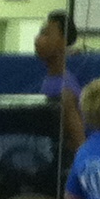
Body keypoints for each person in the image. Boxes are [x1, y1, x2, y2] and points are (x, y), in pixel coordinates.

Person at [33, 10, 85, 159]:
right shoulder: (50, 80)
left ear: (62, 42)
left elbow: (79, 144)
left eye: (45, 34)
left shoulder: (66, 90)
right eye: (40, 33)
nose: (37, 39)